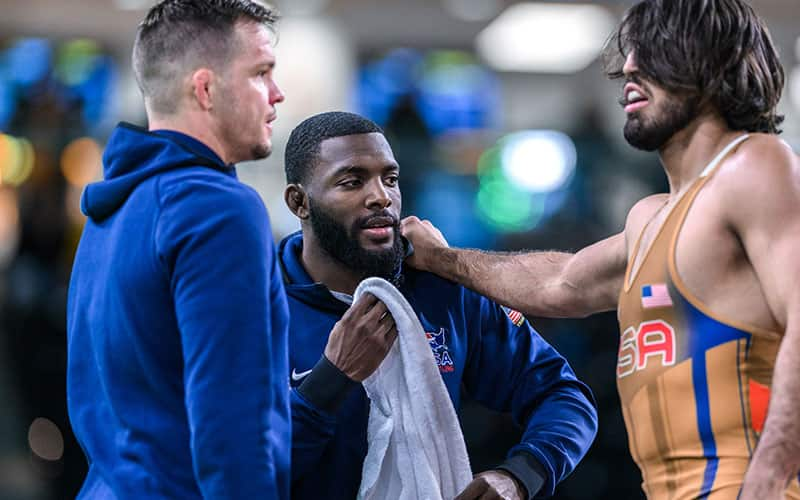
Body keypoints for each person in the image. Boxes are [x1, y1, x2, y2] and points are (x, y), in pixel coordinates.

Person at [402, 1, 800, 499]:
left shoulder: (755, 165)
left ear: (714, 63)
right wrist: (441, 258)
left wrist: (770, 478)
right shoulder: (650, 219)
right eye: (632, 53)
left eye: (654, 52)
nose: (630, 66)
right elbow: (559, 283)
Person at [280, 111, 597, 500]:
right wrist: (329, 381)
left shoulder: (440, 291)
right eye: (352, 181)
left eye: (390, 179)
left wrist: (521, 475)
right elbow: (236, 473)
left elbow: (564, 394)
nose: (381, 196)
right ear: (300, 202)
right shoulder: (255, 309)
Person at [66, 1, 292, 497]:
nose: (277, 94)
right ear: (206, 88)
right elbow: (232, 423)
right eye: (261, 73)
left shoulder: (108, 212)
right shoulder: (219, 209)